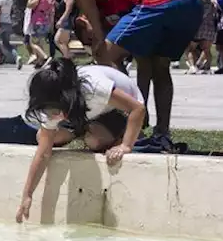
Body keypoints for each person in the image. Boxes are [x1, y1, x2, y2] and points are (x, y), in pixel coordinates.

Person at [72, 0, 203, 149]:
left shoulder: (91, 1)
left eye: (87, 39)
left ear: (82, 21)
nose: (91, 44)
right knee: (157, 66)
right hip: (192, 2)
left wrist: (98, 38)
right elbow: (143, 64)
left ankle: (133, 120)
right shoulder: (126, 7)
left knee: (106, 54)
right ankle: (162, 132)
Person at [14, 59, 148, 223]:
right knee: (44, 137)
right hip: (88, 114)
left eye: (55, 109)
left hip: (121, 112)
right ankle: (83, 131)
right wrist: (27, 195)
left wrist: (126, 145)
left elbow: (138, 109)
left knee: (94, 140)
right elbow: (43, 154)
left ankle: (114, 135)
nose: (52, 114)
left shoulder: (94, 88)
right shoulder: (51, 103)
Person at [185, 0, 217, 74]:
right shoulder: (212, 3)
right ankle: (207, 68)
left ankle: (192, 66)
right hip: (209, 28)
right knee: (206, 49)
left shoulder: (196, 3)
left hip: (198, 28)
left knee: (190, 49)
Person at [24, 0, 55, 67]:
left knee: (33, 43)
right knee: (40, 42)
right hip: (45, 22)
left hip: (38, 22)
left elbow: (29, 5)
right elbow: (51, 11)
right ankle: (40, 62)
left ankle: (45, 57)